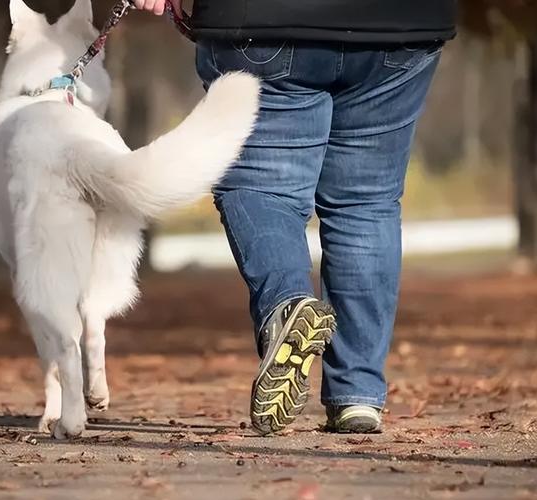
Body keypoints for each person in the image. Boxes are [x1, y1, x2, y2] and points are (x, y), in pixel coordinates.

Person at [135, 0, 456, 434]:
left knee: (261, 187)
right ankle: (358, 395)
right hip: (400, 25)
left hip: (264, 22)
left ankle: (286, 304)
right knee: (366, 203)